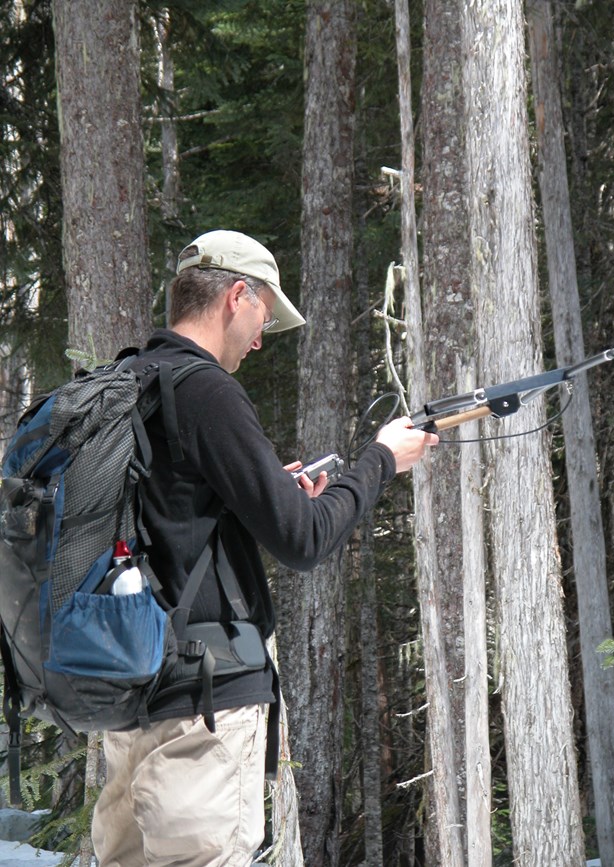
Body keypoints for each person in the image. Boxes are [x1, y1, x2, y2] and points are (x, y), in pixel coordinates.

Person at [91, 229, 439, 867]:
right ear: (237, 296)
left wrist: (257, 491)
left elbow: (169, 515)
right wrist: (382, 462)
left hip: (128, 699)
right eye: (263, 317)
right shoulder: (206, 390)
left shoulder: (129, 380)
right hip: (203, 703)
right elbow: (303, 540)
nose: (259, 338)